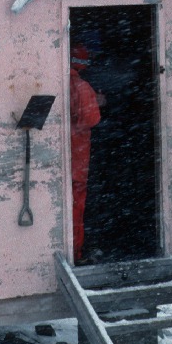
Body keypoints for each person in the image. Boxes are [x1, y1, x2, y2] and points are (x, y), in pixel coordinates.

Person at [69, 45, 102, 263]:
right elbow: (91, 119)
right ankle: (77, 253)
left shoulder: (62, 82)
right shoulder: (81, 86)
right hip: (77, 158)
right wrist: (97, 101)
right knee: (77, 208)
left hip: (67, 157)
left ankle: (74, 251)